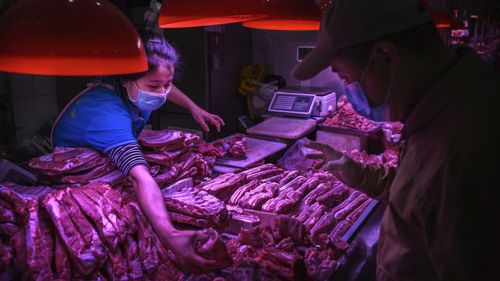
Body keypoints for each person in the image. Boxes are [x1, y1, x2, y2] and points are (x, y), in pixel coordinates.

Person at [293, 0, 500, 280]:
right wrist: (356, 173)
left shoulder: (465, 148)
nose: (349, 92)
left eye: (346, 78)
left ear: (387, 58)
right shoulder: (442, 112)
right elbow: (420, 195)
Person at [52, 33, 225, 274]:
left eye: (166, 84)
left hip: (108, 166)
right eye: (154, 86)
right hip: (73, 183)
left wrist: (192, 107)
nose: (162, 92)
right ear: (125, 80)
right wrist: (171, 236)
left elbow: (161, 82)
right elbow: (139, 176)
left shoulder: (136, 88)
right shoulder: (108, 114)